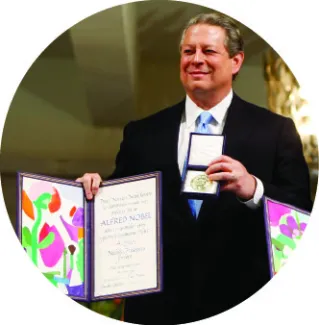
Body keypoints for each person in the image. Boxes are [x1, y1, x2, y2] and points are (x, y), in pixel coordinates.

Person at [76, 12, 312, 325]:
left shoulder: (276, 131)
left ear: (236, 61)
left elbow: (302, 218)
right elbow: (118, 207)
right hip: (156, 308)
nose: (196, 59)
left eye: (208, 51)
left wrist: (254, 188)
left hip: (245, 301)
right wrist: (94, 191)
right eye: (188, 51)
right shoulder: (142, 132)